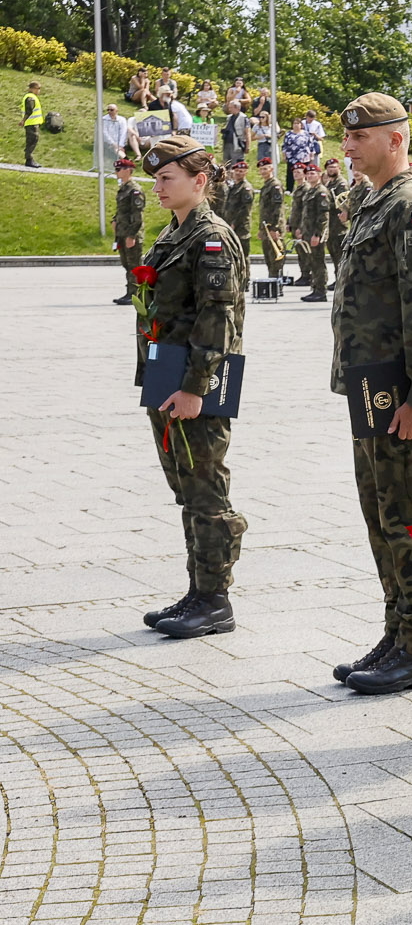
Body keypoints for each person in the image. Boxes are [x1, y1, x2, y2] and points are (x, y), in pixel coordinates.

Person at [325, 93, 412, 698]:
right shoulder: (372, 200)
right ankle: (397, 628)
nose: (347, 144)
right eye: (346, 136)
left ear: (395, 139)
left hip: (402, 395)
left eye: (360, 135)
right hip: (370, 388)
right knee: (382, 513)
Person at [132, 135, 251, 639]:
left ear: (199, 182)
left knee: (206, 487)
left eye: (166, 178)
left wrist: (196, 386)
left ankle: (214, 599)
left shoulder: (212, 238)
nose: (156, 186)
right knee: (186, 486)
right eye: (155, 178)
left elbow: (217, 318)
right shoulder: (174, 234)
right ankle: (197, 590)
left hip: (193, 381)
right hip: (166, 374)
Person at [290, 163, 331, 303]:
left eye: (313, 173)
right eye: (307, 174)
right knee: (313, 261)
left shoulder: (321, 191)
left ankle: (321, 291)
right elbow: (305, 214)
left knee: (318, 262)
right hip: (308, 232)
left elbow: (323, 215)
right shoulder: (310, 191)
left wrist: (317, 234)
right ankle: (315, 288)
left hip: (315, 233)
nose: (309, 176)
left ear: (319, 175)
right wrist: (301, 229)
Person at [111, 158, 146, 304]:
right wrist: (114, 221)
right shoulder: (124, 188)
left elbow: (137, 215)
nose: (116, 172)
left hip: (131, 234)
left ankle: (136, 295)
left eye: (119, 169)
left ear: (127, 171)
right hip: (122, 232)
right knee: (127, 264)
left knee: (134, 265)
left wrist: (132, 235)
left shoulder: (134, 190)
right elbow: (122, 211)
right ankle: (130, 293)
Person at [256, 157, 287, 281]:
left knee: (275, 258)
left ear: (271, 169)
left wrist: (275, 228)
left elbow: (277, 208)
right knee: (268, 257)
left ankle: (276, 283)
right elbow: (264, 210)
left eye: (265, 168)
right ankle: (272, 282)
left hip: (273, 227)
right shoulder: (267, 185)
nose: (263, 171)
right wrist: (261, 229)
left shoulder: (275, 185)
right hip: (266, 227)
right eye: (261, 169)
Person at [216, 158, 254, 258]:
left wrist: (234, 224)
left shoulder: (246, 188)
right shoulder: (233, 187)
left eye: (241, 171)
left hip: (240, 227)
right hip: (229, 225)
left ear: (246, 173)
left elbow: (245, 209)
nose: (238, 173)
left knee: (242, 256)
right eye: (236, 171)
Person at [100, 103, 139, 168]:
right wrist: (113, 144)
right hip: (107, 142)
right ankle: (128, 161)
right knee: (116, 150)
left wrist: (120, 145)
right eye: (108, 110)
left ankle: (127, 161)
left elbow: (123, 132)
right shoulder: (103, 119)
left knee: (117, 150)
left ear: (116, 111)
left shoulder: (122, 119)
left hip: (119, 143)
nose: (109, 111)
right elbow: (105, 133)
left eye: (111, 110)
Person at [20, 80, 45, 167]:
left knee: (33, 140)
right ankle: (29, 160)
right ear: (32, 89)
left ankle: (29, 159)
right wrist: (23, 120)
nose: (39, 90)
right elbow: (29, 110)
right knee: (32, 140)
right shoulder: (31, 98)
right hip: (31, 123)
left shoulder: (31, 97)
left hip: (33, 123)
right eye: (38, 88)